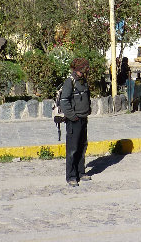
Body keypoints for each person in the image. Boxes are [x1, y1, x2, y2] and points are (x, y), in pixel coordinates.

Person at [59, 57, 92, 186]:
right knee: (72, 149)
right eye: (81, 71)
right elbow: (64, 101)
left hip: (83, 118)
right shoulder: (69, 82)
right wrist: (72, 116)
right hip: (74, 120)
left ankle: (81, 172)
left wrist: (88, 110)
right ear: (76, 70)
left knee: (82, 147)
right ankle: (71, 176)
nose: (83, 73)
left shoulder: (83, 81)